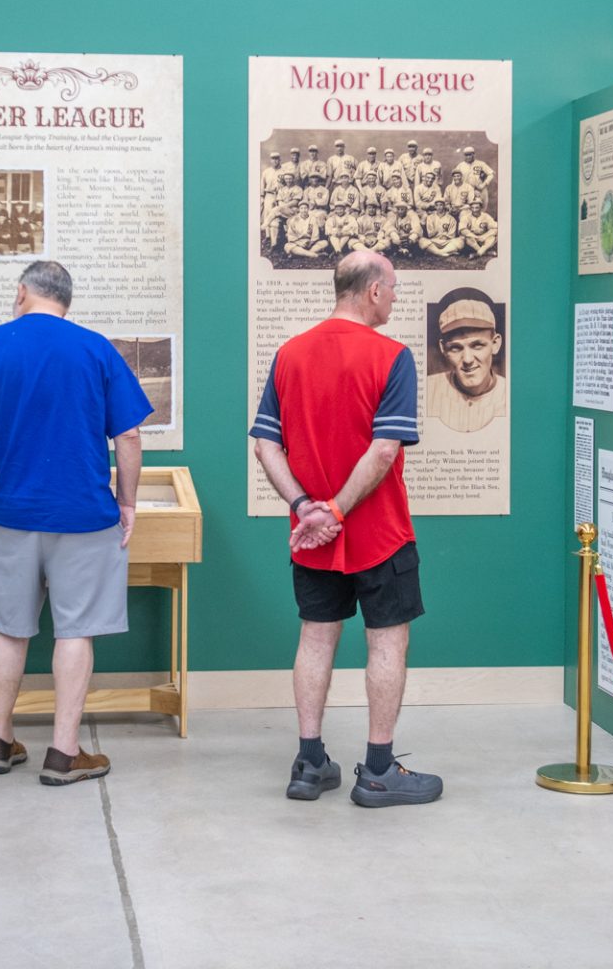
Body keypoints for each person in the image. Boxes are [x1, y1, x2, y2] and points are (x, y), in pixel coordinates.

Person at [0, 261, 151, 786]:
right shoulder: (95, 348)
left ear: (22, 293)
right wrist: (127, 502)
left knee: (8, 629)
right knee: (75, 630)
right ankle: (63, 752)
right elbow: (128, 436)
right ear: (66, 300)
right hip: (84, 514)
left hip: (10, 512)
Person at [251, 250, 441, 809]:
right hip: (380, 532)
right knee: (387, 642)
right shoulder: (392, 356)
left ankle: (309, 762)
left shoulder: (289, 354)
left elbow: (265, 445)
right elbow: (383, 451)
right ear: (373, 291)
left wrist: (305, 507)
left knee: (315, 637)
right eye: (394, 288)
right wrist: (335, 512)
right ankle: (378, 771)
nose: (395, 298)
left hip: (311, 535)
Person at [423, 291, 508, 434]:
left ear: (495, 344)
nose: (467, 359)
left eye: (477, 345)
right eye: (456, 348)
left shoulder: (511, 394)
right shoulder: (425, 390)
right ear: (443, 349)